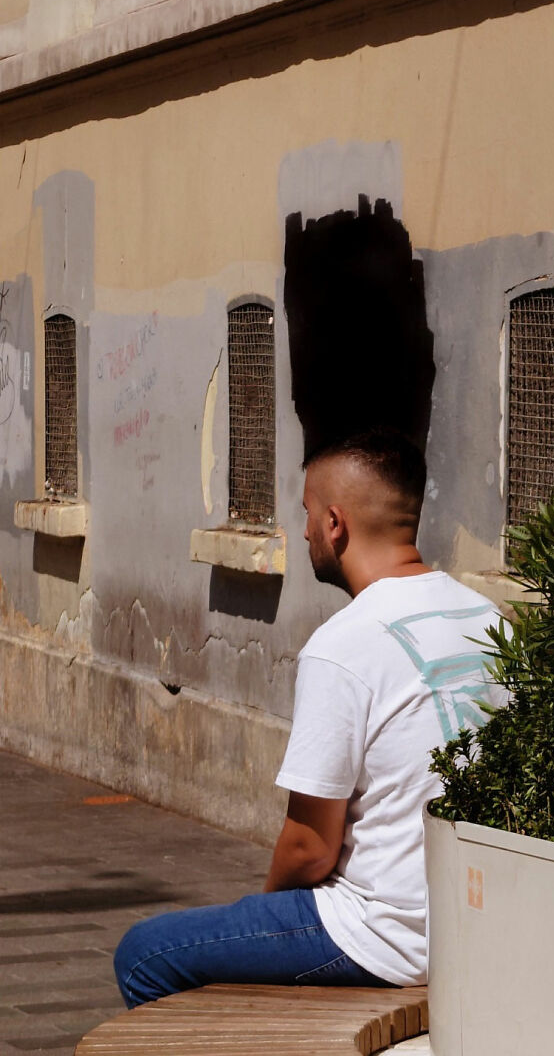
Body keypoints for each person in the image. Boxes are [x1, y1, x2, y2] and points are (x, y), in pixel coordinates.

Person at [114, 429, 508, 1007]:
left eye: (305, 513)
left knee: (143, 955)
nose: (301, 531)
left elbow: (309, 848)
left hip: (385, 938)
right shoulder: (488, 617)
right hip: (474, 922)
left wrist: (268, 915)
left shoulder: (343, 644)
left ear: (334, 523)